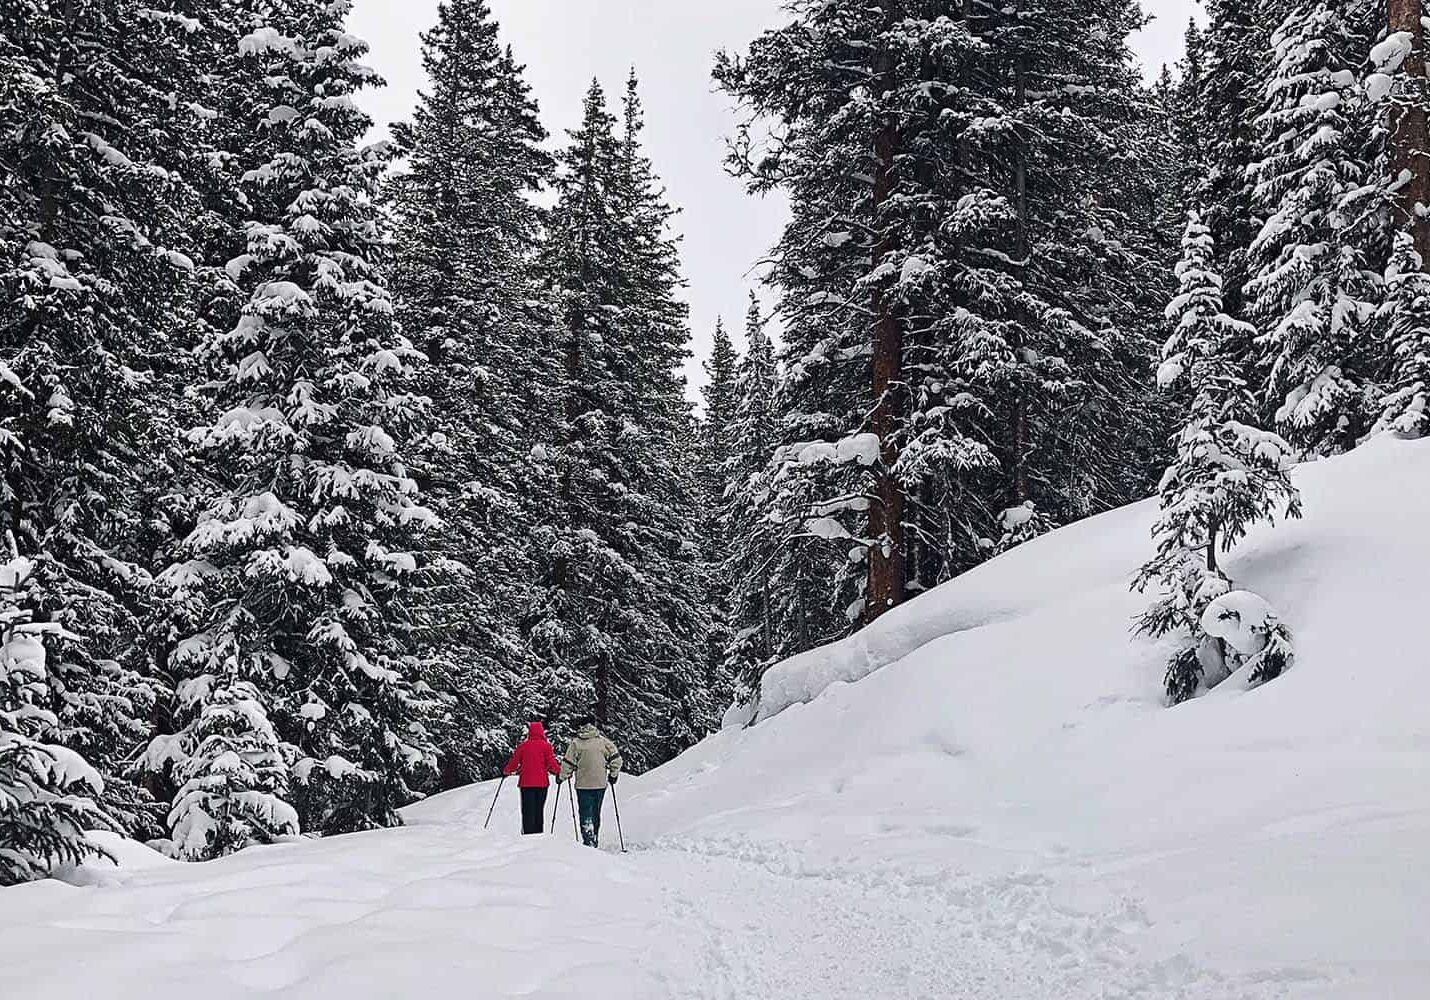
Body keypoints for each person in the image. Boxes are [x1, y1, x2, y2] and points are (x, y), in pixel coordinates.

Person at [557, 716, 623, 848]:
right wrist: (613, 774)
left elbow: (568, 763)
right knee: (596, 811)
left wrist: (562, 777)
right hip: (600, 783)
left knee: (585, 811)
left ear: (581, 727)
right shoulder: (604, 742)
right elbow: (617, 759)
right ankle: (595, 836)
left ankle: (588, 839)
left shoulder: (576, 743)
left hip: (583, 784)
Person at [503, 721, 561, 835]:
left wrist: (506, 771)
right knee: (539, 810)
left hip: (526, 784)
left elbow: (514, 762)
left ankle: (528, 832)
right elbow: (551, 763)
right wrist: (559, 772)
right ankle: (538, 833)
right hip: (542, 784)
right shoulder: (546, 746)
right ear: (541, 732)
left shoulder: (523, 746)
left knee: (527, 810)